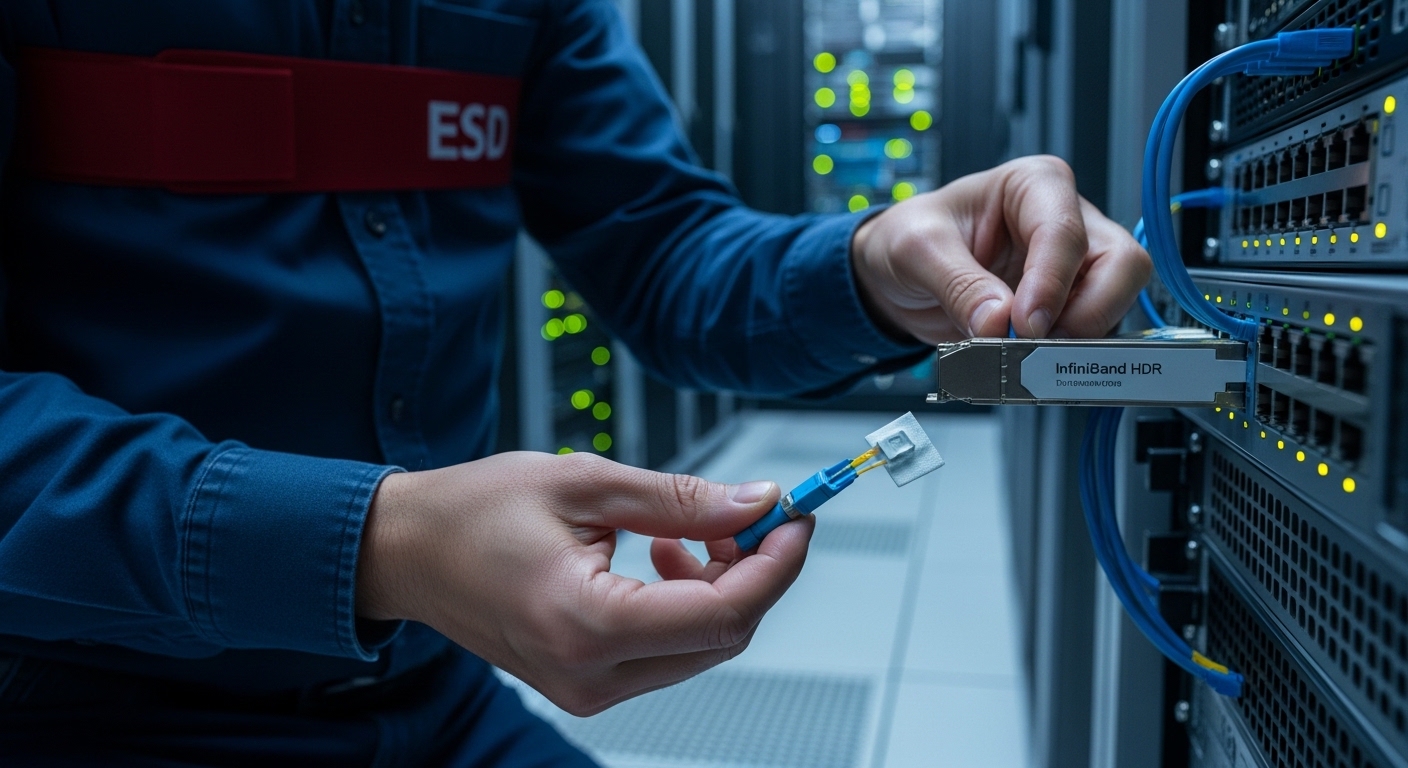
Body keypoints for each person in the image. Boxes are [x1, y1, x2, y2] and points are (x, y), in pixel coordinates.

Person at [0, 0, 1149, 764]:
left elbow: (659, 253)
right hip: (82, 702)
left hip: (429, 700)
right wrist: (381, 544)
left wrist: (868, 268)